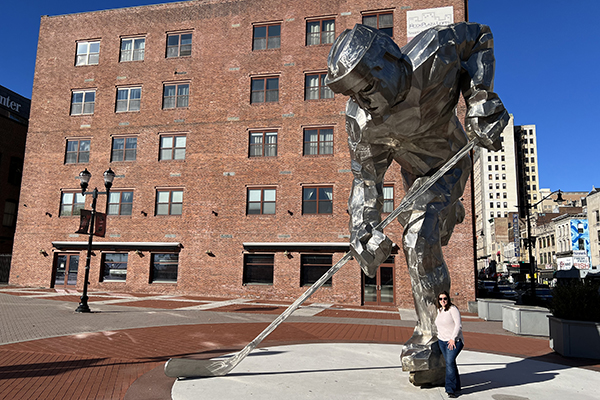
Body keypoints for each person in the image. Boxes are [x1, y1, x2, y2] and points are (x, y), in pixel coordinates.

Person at [326, 22, 508, 385]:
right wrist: (364, 228)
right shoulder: (361, 123)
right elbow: (366, 181)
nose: (365, 102)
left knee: (418, 237)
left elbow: (481, 38)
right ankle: (444, 214)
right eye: (356, 96)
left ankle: (432, 338)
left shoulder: (435, 50)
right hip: (418, 181)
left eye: (367, 89)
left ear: (388, 62)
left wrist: (480, 96)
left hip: (452, 160)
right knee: (422, 231)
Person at [435, 291, 464, 398]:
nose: (443, 301)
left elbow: (458, 325)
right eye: (440, 299)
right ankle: (457, 386)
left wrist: (453, 338)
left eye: (445, 298)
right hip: (442, 341)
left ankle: (450, 389)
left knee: (449, 362)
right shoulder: (440, 310)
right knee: (451, 363)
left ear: (448, 299)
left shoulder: (453, 309)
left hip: (454, 342)